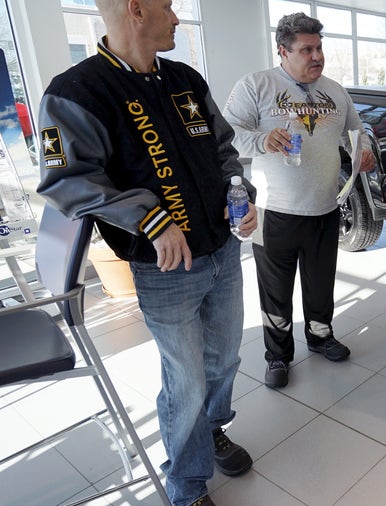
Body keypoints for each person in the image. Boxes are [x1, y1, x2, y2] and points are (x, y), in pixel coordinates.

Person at [36, 1, 256, 505]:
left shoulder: (184, 79)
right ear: (136, 9)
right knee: (186, 379)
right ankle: (186, 484)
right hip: (165, 268)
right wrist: (151, 220)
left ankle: (211, 431)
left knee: (224, 360)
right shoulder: (74, 93)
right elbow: (66, 180)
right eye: (168, 5)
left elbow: (224, 150)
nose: (177, 17)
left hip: (221, 250)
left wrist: (240, 194)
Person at [223, 13, 374, 389]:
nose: (316, 56)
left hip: (325, 208)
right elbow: (225, 134)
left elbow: (356, 131)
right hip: (274, 213)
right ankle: (277, 355)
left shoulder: (335, 91)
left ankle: (321, 336)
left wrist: (364, 151)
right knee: (275, 289)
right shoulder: (256, 85)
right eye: (307, 49)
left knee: (320, 282)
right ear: (283, 51)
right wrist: (261, 140)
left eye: (319, 48)